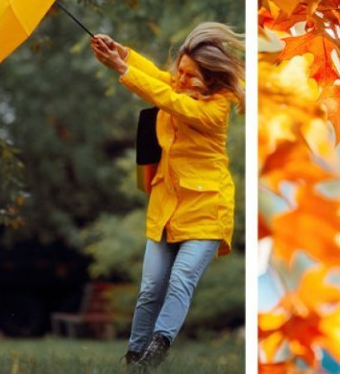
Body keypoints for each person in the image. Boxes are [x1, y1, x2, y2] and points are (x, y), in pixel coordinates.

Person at [90, 23, 245, 370]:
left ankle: (156, 350)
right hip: (167, 206)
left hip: (206, 209)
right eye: (181, 70)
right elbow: (159, 79)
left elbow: (168, 100)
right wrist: (123, 53)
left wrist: (121, 70)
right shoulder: (179, 86)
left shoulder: (215, 108)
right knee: (150, 288)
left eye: (191, 75)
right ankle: (134, 359)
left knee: (181, 280)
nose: (181, 79)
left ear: (211, 78)